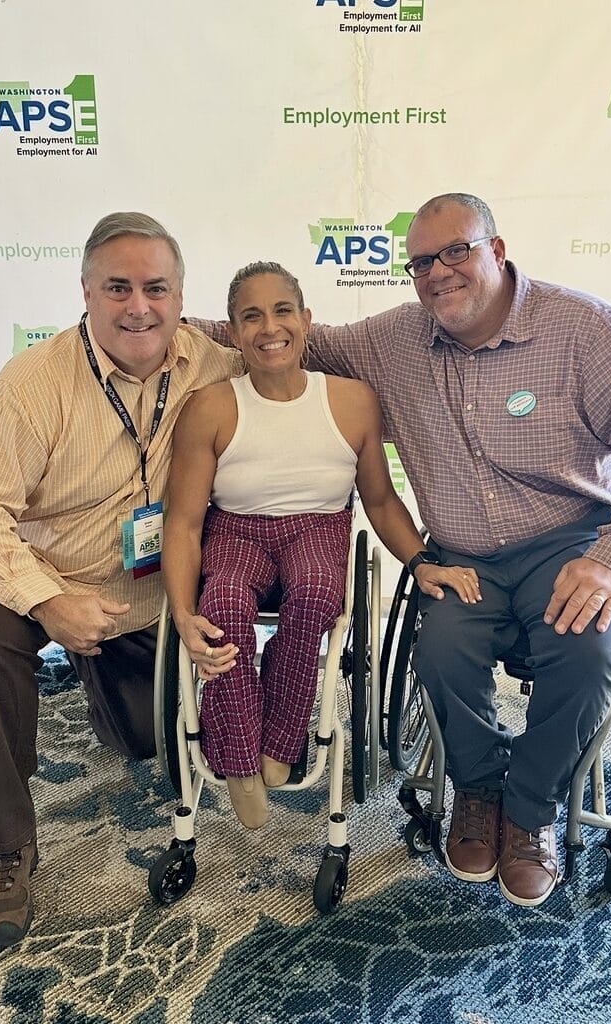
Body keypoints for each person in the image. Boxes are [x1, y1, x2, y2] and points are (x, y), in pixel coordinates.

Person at [189, 194, 611, 906]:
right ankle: (478, 789)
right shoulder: (395, 338)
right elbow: (286, 334)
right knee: (439, 651)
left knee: (585, 651)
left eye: (456, 251)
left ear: (497, 250)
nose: (438, 272)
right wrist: (157, 321)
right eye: (421, 261)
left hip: (573, 541)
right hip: (462, 558)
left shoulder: (582, 327)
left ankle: (530, 811)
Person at [0, 212, 242, 950]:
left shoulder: (215, 365)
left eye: (156, 288)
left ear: (180, 296)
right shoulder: (32, 383)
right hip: (39, 570)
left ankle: (100, 676)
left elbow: (293, 370)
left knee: (143, 742)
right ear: (85, 292)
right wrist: (48, 600)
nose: (139, 307)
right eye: (117, 288)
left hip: (143, 591)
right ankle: (4, 849)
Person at [164, 261, 480, 828]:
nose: (269, 328)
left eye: (282, 311)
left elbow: (380, 500)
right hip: (235, 528)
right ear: (232, 332)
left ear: (306, 320)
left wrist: (421, 562)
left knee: (314, 595)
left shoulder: (353, 400)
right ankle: (237, 760)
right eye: (251, 317)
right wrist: (184, 615)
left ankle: (281, 742)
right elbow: (184, 523)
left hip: (319, 527)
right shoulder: (210, 406)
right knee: (223, 605)